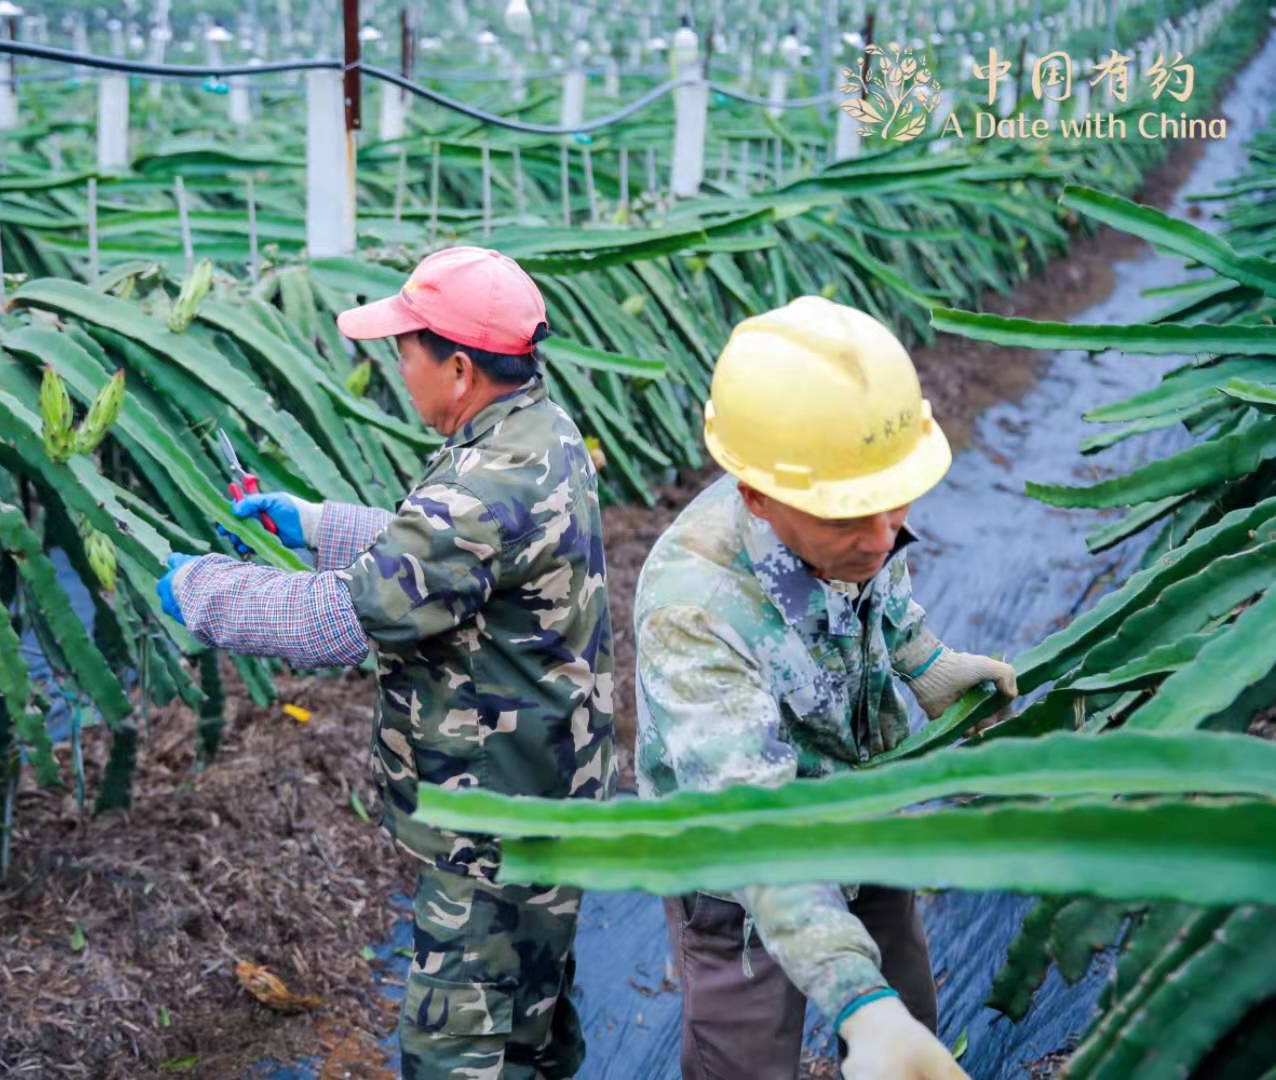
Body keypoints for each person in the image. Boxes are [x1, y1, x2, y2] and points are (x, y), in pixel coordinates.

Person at [156, 246, 615, 1080]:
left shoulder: (472, 493)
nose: (399, 368)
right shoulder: (541, 433)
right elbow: (461, 560)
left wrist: (202, 591)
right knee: (531, 1018)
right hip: (554, 784)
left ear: (461, 368)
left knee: (457, 1052)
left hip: (493, 821)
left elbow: (345, 616)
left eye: (406, 351)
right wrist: (315, 522)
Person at [632, 295, 1018, 1080]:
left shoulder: (852, 504)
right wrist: (855, 1000)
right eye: (852, 519)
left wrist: (926, 663)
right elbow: (757, 831)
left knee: (907, 1011)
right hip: (743, 875)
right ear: (757, 498)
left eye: (894, 504)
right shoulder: (693, 610)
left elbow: (884, 589)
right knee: (747, 1056)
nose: (883, 538)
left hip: (863, 803)